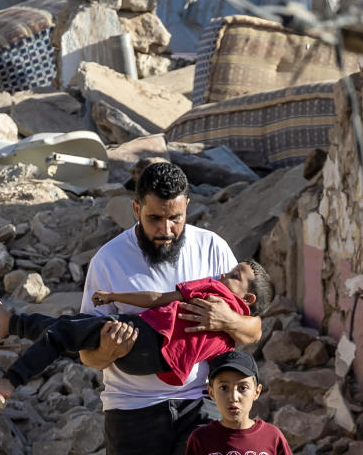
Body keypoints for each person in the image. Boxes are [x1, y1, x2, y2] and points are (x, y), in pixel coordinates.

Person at [74, 161, 263, 455]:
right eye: (154, 218)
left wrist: (227, 320)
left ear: (187, 205)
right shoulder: (107, 261)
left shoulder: (213, 249)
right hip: (133, 410)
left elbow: (254, 329)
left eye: (175, 218)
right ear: (136, 210)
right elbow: (88, 355)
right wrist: (109, 351)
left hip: (203, 405)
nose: (166, 230)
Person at [0, 260, 274, 406]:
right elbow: (252, 334)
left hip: (145, 338)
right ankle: (9, 323)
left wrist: (114, 297)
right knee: (70, 331)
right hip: (151, 365)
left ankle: (8, 382)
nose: (224, 273)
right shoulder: (233, 335)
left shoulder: (214, 292)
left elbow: (157, 298)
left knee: (64, 333)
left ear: (247, 300)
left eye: (235, 275)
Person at [185, 350, 292, 455]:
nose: (233, 397)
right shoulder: (201, 439)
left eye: (243, 388)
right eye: (224, 388)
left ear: (256, 391)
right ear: (211, 392)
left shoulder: (272, 436)